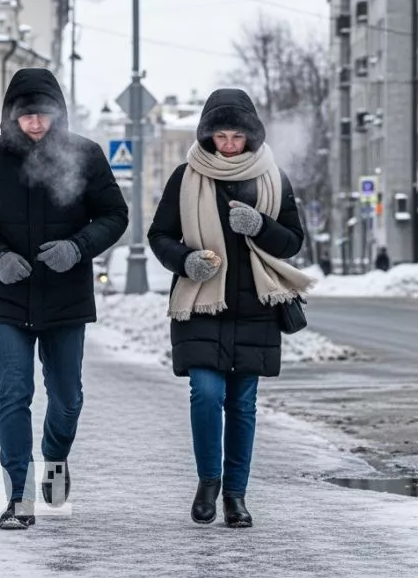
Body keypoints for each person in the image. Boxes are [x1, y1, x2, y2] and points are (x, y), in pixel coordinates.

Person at [0, 68, 128, 530]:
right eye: (26, 116)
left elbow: (114, 214)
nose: (35, 124)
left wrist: (78, 247)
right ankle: (18, 497)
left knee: (67, 399)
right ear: (11, 116)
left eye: (43, 115)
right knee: (14, 394)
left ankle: (56, 457)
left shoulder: (84, 155)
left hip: (66, 297)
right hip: (8, 296)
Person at [147, 88, 313, 528]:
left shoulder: (273, 178)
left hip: (256, 308)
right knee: (205, 394)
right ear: (207, 137)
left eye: (236, 136)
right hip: (201, 305)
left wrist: (261, 226)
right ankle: (208, 482)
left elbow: (293, 242)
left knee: (242, 404)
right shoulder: (185, 177)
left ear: (251, 136)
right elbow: (159, 236)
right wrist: (185, 260)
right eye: (219, 136)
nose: (228, 144)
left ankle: (236, 497)